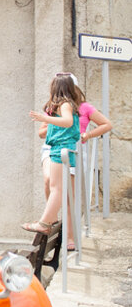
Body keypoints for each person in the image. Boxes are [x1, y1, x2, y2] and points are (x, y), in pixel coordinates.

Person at [36, 74, 112, 250]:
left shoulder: (84, 108)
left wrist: (87, 134)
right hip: (52, 149)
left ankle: (70, 237)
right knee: (50, 182)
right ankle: (51, 217)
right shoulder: (55, 107)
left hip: (73, 150)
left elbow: (106, 124)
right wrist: (57, 123)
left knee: (70, 196)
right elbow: (41, 133)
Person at [24, 73, 82, 236]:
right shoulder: (66, 105)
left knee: (56, 188)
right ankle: (47, 220)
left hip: (61, 148)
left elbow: (68, 122)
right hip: (60, 148)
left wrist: (45, 118)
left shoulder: (65, 104)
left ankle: (44, 222)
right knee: (56, 187)